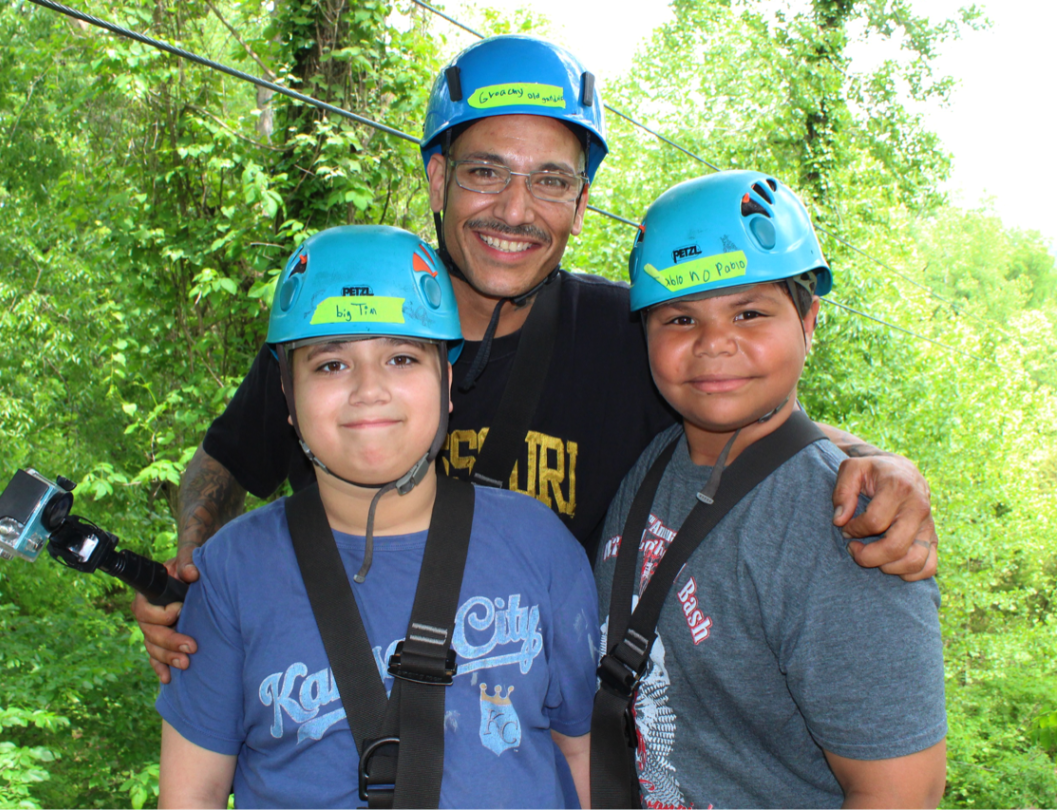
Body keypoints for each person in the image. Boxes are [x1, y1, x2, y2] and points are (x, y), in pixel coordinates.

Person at [136, 34, 938, 682]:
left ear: (582, 203)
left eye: (552, 182)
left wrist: (877, 463)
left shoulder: (624, 335)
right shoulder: (356, 331)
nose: (515, 211)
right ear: (438, 177)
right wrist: (193, 585)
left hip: (534, 730)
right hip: (337, 702)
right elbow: (222, 465)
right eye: (486, 172)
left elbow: (740, 406)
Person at [156, 225, 599, 809]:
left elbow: (579, 755)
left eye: (401, 357)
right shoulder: (232, 575)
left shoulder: (538, 543)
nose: (369, 389)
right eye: (331, 365)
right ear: (287, 398)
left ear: (446, 383)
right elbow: (194, 794)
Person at [592, 173, 946, 809]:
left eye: (749, 312)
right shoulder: (656, 457)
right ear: (644, 333)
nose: (714, 343)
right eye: (679, 318)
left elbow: (901, 795)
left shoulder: (844, 528)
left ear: (809, 319)